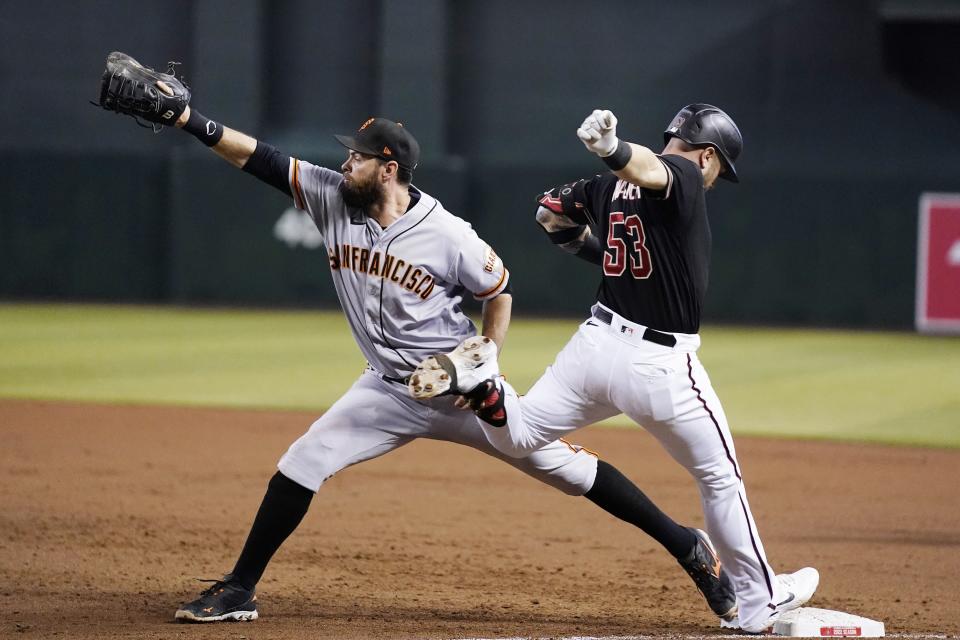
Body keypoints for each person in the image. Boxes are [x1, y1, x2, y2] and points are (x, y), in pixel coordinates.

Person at [93, 54, 738, 624]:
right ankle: (240, 587)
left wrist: (483, 356)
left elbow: (500, 291)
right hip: (387, 388)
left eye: (358, 155)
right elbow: (258, 158)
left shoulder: (447, 233)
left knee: (565, 469)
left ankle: (685, 543)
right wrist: (189, 121)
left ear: (388, 166)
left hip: (457, 389)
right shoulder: (329, 197)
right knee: (304, 459)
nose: (345, 162)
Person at [413, 105, 820, 633]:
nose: (715, 178)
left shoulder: (606, 188)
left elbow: (549, 214)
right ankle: (759, 597)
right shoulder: (685, 174)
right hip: (659, 365)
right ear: (706, 154)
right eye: (719, 166)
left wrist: (601, 245)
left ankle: (485, 387)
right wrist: (613, 150)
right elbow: (654, 170)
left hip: (595, 347)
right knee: (719, 477)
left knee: (518, 437)